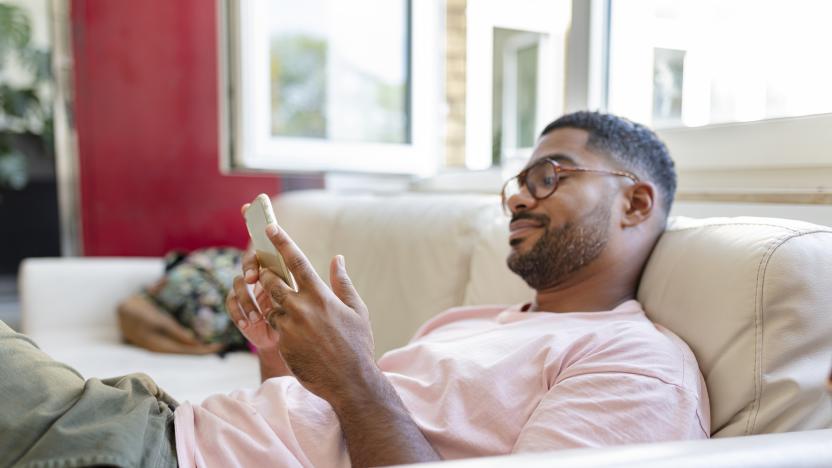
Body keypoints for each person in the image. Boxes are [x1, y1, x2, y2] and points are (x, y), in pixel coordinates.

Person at [0, 111, 709, 468]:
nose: (520, 198)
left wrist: (351, 374)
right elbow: (330, 438)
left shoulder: (637, 366)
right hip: (170, 428)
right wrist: (282, 356)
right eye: (517, 183)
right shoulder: (478, 321)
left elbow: (356, 409)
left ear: (636, 204)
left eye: (549, 177)